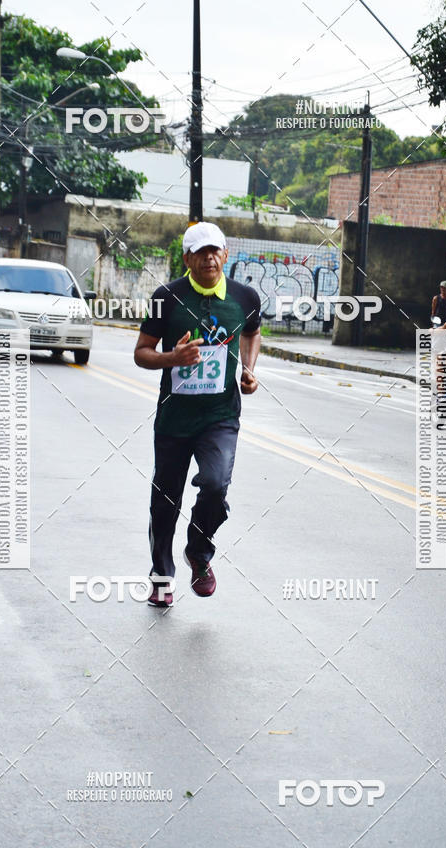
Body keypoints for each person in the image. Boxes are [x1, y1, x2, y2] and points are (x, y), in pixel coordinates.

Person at [134, 222, 262, 608]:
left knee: (216, 483)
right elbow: (142, 352)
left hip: (220, 415)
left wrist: (249, 370)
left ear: (225, 255)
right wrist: (172, 358)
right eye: (200, 252)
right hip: (174, 419)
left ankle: (199, 552)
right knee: (165, 500)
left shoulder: (244, 297)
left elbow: (253, 333)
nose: (209, 257)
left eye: (215, 251)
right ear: (187, 258)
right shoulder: (166, 297)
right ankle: (161, 577)